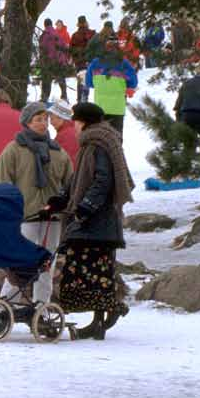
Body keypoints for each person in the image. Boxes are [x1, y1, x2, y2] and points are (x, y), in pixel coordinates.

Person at [54, 102, 134, 340]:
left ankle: (101, 319)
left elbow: (101, 181)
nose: (74, 126)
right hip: (100, 222)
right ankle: (104, 315)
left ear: (84, 122)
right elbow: (80, 179)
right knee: (96, 272)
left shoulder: (97, 145)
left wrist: (85, 209)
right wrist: (62, 199)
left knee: (91, 272)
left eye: (76, 121)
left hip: (97, 223)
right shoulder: (98, 142)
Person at [0, 102, 73, 310]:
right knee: (19, 263)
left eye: (45, 119)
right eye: (38, 119)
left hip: (51, 219)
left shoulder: (58, 152)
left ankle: (41, 307)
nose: (43, 123)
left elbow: (70, 183)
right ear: (27, 122)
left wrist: (63, 206)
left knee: (47, 264)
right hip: (24, 217)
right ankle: (6, 307)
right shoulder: (14, 150)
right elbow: (1, 184)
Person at [84, 36, 137, 136]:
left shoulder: (95, 63)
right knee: (116, 139)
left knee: (101, 139)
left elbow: (89, 83)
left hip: (100, 108)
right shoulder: (123, 63)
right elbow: (133, 82)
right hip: (117, 108)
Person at [39, 18, 72, 101]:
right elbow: (64, 46)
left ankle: (45, 97)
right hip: (59, 60)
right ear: (52, 24)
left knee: (46, 80)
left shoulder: (44, 35)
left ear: (45, 25)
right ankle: (64, 96)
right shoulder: (57, 34)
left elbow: (42, 48)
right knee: (61, 78)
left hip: (48, 61)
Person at [47, 98, 79, 168]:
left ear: (61, 118)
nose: (51, 123)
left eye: (52, 119)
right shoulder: (70, 130)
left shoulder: (66, 135)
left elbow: (64, 163)